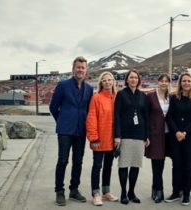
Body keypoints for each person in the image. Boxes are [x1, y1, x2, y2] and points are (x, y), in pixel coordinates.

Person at [49, 56, 93, 206]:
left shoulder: (89, 88)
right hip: (65, 130)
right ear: (73, 68)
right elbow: (53, 107)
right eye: (78, 67)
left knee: (78, 161)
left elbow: (88, 110)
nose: (80, 70)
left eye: (83, 67)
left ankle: (74, 190)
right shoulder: (63, 85)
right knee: (63, 160)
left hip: (81, 130)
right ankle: (59, 192)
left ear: (86, 70)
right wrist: (62, 121)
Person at [114, 69, 150, 205]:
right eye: (131, 77)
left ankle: (131, 192)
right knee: (123, 165)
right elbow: (116, 115)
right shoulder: (121, 95)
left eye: (136, 77)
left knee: (135, 165)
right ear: (127, 80)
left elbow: (146, 116)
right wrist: (117, 135)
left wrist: (147, 135)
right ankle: (123, 192)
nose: (133, 79)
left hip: (139, 135)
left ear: (138, 80)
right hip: (125, 135)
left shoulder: (143, 96)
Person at [165, 72, 191, 206]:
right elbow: (169, 117)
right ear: (180, 82)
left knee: (187, 165)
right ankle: (176, 192)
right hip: (175, 137)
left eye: (189, 81)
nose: (186, 83)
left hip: (190, 136)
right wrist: (176, 132)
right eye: (184, 81)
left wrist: (184, 132)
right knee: (176, 165)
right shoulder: (174, 97)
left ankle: (186, 193)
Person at [86, 71, 118, 206]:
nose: (107, 82)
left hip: (113, 140)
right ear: (101, 83)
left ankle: (106, 192)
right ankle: (96, 193)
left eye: (109, 80)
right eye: (104, 80)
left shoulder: (117, 98)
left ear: (113, 82)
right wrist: (93, 138)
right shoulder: (96, 98)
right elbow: (91, 119)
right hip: (99, 140)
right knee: (97, 166)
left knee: (108, 166)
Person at [145, 73, 171, 203]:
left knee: (164, 163)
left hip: (169, 135)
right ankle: (159, 191)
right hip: (155, 135)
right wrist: (147, 135)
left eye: (167, 81)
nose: (164, 83)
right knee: (157, 164)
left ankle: (155, 188)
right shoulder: (150, 97)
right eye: (162, 81)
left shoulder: (170, 97)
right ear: (158, 82)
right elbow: (145, 116)